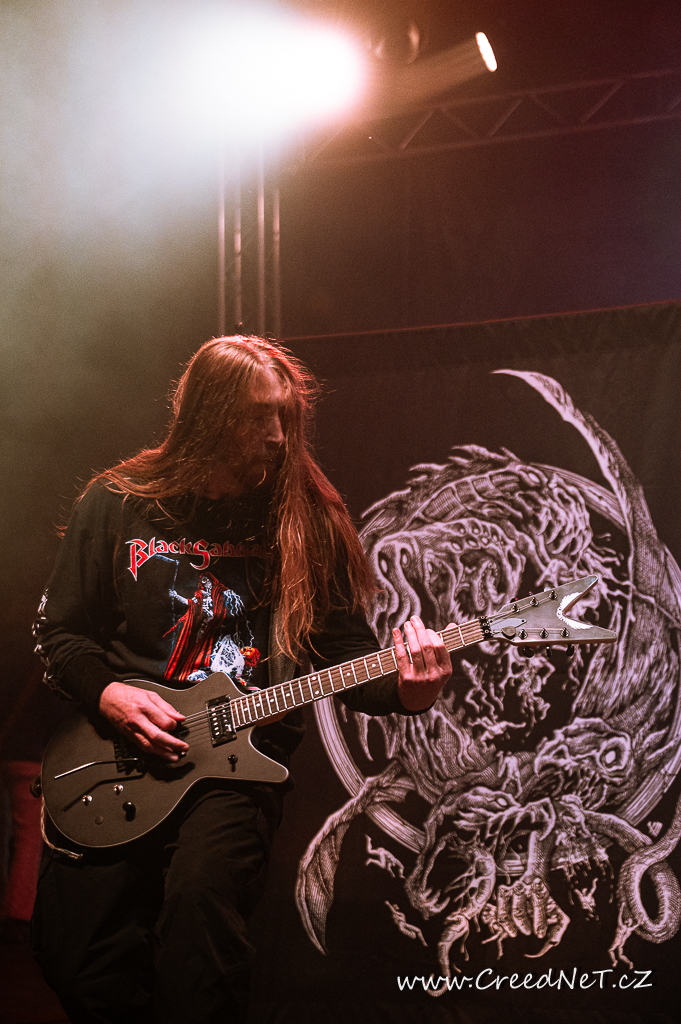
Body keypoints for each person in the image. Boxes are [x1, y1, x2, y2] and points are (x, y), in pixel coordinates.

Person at [31, 336, 453, 1024]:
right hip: (117, 751)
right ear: (207, 413)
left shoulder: (308, 520)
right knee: (79, 959)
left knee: (199, 927)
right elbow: (61, 634)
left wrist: (411, 690)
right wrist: (109, 693)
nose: (278, 436)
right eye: (259, 416)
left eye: (285, 415)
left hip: (235, 766)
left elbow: (347, 660)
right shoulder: (117, 501)